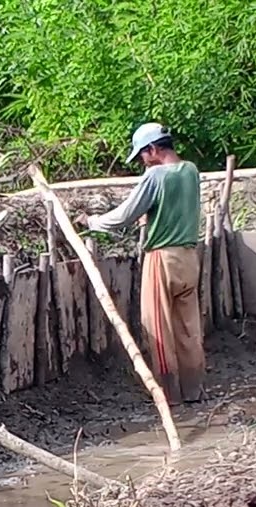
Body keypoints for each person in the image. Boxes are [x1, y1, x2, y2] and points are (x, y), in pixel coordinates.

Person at [74, 122, 205, 405]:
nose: (142, 162)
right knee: (188, 327)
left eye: (143, 155)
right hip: (188, 257)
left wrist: (93, 221)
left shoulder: (155, 176)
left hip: (162, 258)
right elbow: (172, 205)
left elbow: (125, 215)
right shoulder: (191, 171)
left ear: (154, 149)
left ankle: (168, 394)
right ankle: (194, 389)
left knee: (157, 327)